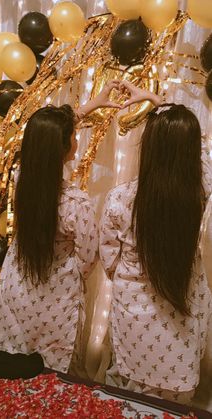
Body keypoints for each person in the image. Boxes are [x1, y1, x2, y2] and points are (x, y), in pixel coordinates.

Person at [0, 81, 121, 373]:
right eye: (72, 135)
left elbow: (45, 133)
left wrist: (89, 106)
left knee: (9, 374)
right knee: (48, 382)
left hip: (16, 291)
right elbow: (88, 259)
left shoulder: (21, 179)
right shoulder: (75, 203)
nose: (76, 139)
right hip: (56, 303)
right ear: (65, 146)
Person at [99, 82, 212, 403]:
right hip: (182, 318)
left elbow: (109, 263)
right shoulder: (200, 189)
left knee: (129, 401)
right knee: (174, 404)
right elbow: (200, 151)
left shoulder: (120, 199)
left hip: (134, 319)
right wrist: (157, 101)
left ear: (148, 146)